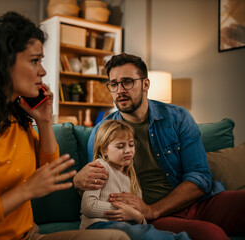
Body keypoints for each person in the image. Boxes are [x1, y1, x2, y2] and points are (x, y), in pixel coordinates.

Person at [0, 12, 130, 240]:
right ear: (1, 64)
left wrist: (44, 121)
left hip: (29, 236)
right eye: (34, 60)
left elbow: (50, 172)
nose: (43, 71)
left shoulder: (14, 117)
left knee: (116, 238)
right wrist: (26, 191)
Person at [73, 53, 245, 240]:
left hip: (199, 202)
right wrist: (78, 182)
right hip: (157, 217)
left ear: (145, 84)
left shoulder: (178, 117)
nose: (119, 90)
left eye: (127, 82)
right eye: (113, 84)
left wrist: (153, 210)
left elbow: (200, 176)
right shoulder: (102, 133)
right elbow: (98, 189)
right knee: (212, 235)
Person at [80, 119, 190, 240]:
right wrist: (123, 211)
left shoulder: (132, 178)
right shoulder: (100, 168)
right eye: (120, 146)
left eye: (131, 145)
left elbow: (139, 217)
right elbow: (88, 206)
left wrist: (136, 216)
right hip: (98, 225)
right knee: (136, 233)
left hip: (127, 226)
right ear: (104, 150)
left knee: (148, 232)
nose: (128, 150)